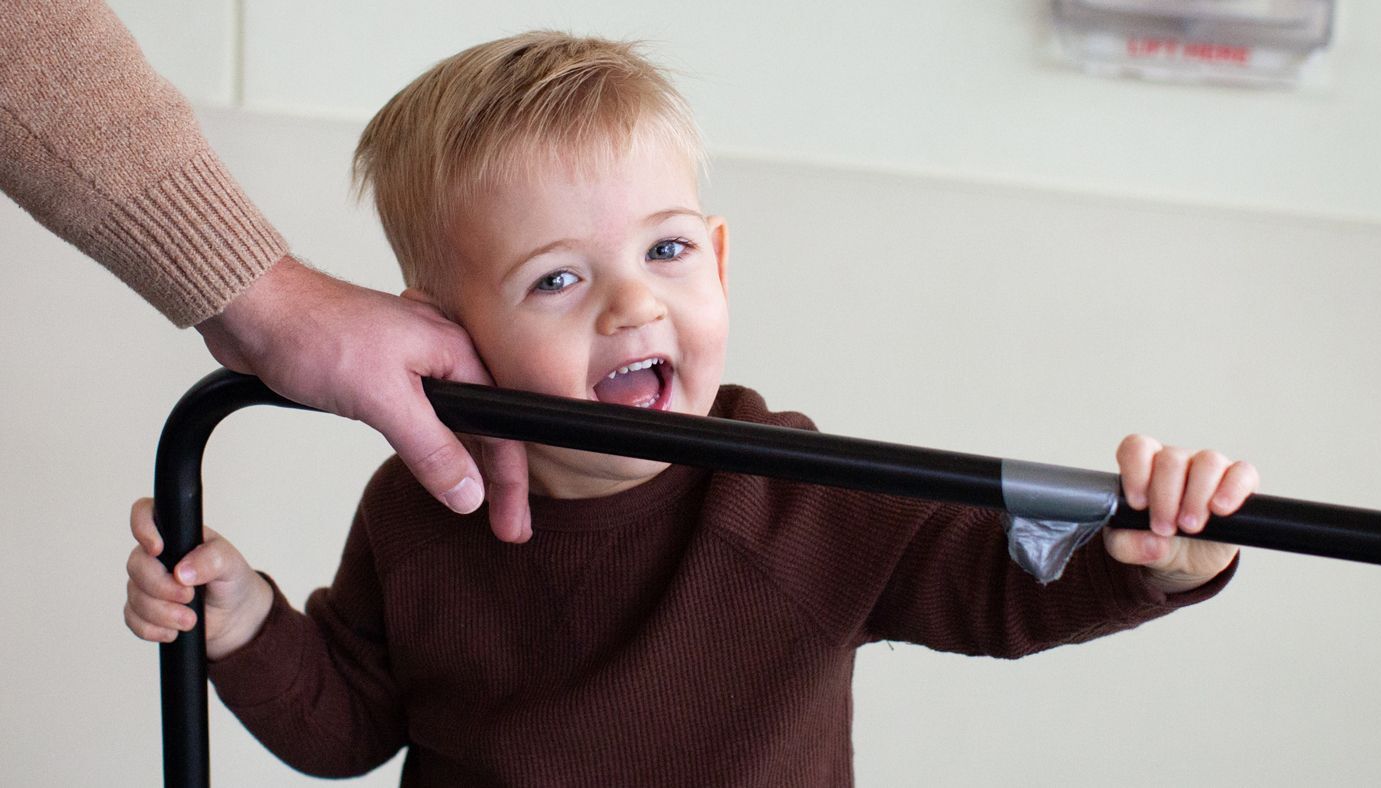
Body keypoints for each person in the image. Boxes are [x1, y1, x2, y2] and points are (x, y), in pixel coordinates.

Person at [122, 31, 1259, 785]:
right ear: (443, 332)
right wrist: (245, 623)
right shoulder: (420, 503)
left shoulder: (791, 490)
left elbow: (995, 583)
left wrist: (1157, 555)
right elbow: (350, 725)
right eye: (556, 279)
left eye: (665, 250)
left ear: (717, 258)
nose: (632, 303)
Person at [0, 0, 531, 541]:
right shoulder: (404, 506)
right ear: (446, 327)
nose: (609, 309)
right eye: (555, 280)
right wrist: (246, 597)